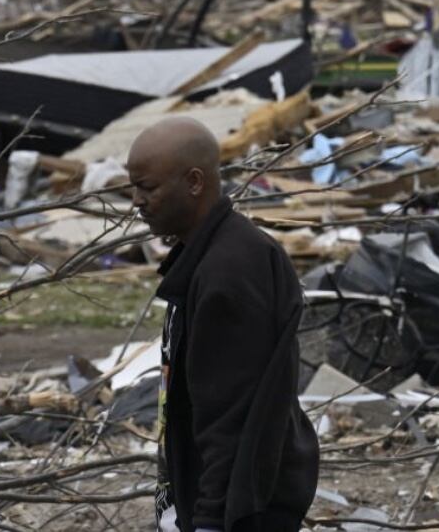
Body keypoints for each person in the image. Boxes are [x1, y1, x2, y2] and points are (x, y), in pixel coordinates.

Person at [126, 118, 319, 532]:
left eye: (147, 187)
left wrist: (211, 520)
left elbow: (230, 413)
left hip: (239, 511)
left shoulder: (230, 270)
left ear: (194, 182)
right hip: (219, 500)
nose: (136, 200)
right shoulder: (204, 256)